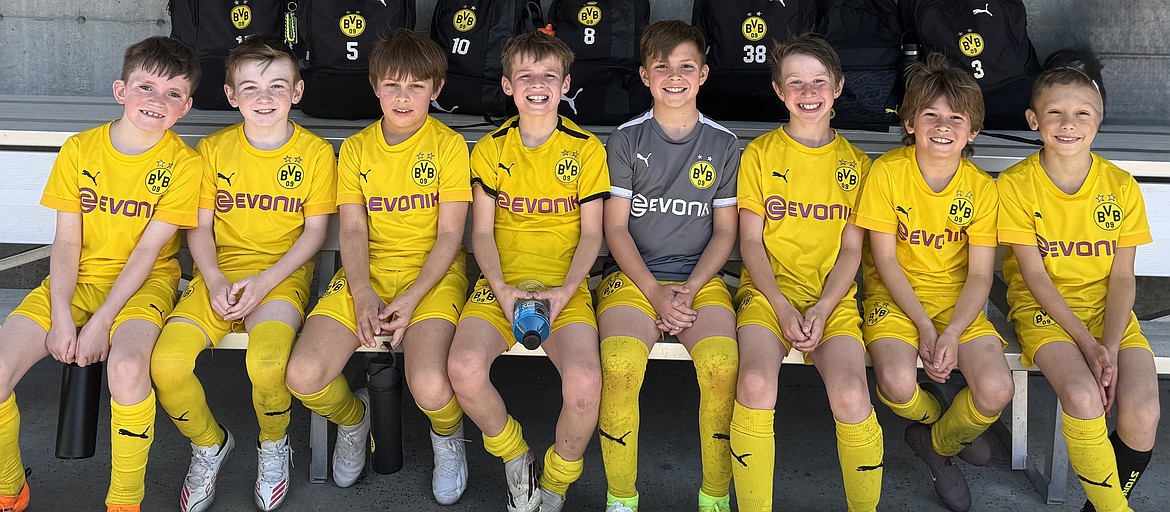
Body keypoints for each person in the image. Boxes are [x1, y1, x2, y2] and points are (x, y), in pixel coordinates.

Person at [0, 36, 202, 512]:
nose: (157, 100)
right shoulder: (80, 149)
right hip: (75, 282)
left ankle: (124, 500)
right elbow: (67, 242)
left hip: (144, 284)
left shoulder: (184, 164)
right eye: (146, 87)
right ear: (120, 90)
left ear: (186, 107)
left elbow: (148, 251)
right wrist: (62, 317)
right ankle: (10, 485)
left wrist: (101, 322)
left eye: (173, 93)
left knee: (127, 369)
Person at [283, 28, 473, 505]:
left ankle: (448, 436)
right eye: (392, 85)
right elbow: (351, 231)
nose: (403, 97)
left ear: (437, 88)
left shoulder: (448, 146)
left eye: (416, 86)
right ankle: (354, 420)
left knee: (430, 386)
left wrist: (410, 298)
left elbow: (449, 236)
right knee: (303, 375)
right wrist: (363, 291)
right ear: (375, 86)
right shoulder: (356, 149)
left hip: (432, 276)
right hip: (367, 273)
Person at [148, 36, 335, 512]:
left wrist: (266, 282)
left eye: (277, 86)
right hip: (219, 275)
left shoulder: (315, 154)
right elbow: (200, 227)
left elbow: (314, 233)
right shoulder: (212, 150)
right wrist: (212, 280)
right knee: (166, 364)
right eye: (250, 87)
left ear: (297, 92)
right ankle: (209, 443)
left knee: (268, 362)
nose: (264, 97)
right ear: (231, 96)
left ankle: (273, 443)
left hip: (280, 276)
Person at [446, 31, 608, 512]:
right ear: (507, 85)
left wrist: (565, 291)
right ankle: (516, 456)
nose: (538, 85)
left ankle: (555, 480)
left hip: (563, 287)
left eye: (549, 76)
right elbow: (481, 233)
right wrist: (500, 288)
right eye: (525, 76)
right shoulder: (491, 148)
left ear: (566, 84)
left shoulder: (586, 149)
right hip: (503, 283)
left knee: (585, 384)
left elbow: (593, 236)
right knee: (463, 368)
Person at [729, 34, 882, 512]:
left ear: (838, 86)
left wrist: (822, 308)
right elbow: (750, 243)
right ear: (779, 91)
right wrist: (781, 306)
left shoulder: (858, 165)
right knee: (756, 382)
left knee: (852, 392)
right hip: (767, 295)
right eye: (795, 82)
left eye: (819, 81)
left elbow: (851, 250)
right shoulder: (759, 155)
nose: (808, 92)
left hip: (830, 300)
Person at [854, 53, 1013, 512]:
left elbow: (980, 274)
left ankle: (936, 445)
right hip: (894, 298)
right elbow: (885, 259)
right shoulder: (887, 173)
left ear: (973, 130)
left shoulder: (981, 188)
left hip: (957, 304)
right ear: (909, 123)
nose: (943, 126)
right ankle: (942, 420)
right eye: (931, 115)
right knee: (897, 383)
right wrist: (925, 328)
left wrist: (952, 332)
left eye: (956, 118)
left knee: (996, 390)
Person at [998, 61, 1158, 512]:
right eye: (1055, 113)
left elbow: (1122, 277)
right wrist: (1090, 347)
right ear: (1033, 120)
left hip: (1109, 317)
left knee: (1144, 411)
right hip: (1044, 312)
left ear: (1099, 119)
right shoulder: (1015, 185)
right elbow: (1034, 277)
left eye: (1082, 113)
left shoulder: (1121, 186)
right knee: (1084, 396)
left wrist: (1109, 348)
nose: (1068, 123)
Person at [596, 20, 739, 512]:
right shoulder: (626, 138)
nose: (674, 77)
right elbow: (615, 229)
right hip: (633, 279)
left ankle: (714, 496)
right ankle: (621, 498)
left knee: (722, 366)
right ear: (644, 75)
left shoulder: (723, 143)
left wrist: (690, 288)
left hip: (701, 280)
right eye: (662, 66)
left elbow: (725, 232)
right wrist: (656, 292)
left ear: (703, 74)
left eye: (685, 66)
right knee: (619, 365)